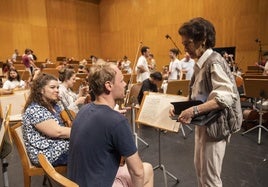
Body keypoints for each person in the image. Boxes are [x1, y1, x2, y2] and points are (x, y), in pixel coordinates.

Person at [170, 17, 239, 187]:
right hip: (204, 123)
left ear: (203, 40)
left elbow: (226, 96)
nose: (185, 49)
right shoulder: (200, 64)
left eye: (188, 43)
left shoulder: (214, 61)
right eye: (184, 44)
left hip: (215, 127)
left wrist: (193, 111)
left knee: (210, 180)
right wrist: (179, 110)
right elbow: (197, 96)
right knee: (201, 172)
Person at [68, 62, 154, 187]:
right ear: (109, 85)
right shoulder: (116, 121)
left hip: (77, 182)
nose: (125, 84)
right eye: (121, 81)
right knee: (144, 171)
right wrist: (115, 120)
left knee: (148, 168)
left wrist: (113, 117)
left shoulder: (83, 110)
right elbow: (137, 172)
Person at [22, 74, 70, 166]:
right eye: (52, 87)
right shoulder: (35, 109)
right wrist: (82, 132)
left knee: (92, 146)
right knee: (91, 151)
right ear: (41, 90)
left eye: (57, 87)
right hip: (45, 154)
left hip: (56, 145)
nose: (57, 90)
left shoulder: (52, 105)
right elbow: (58, 132)